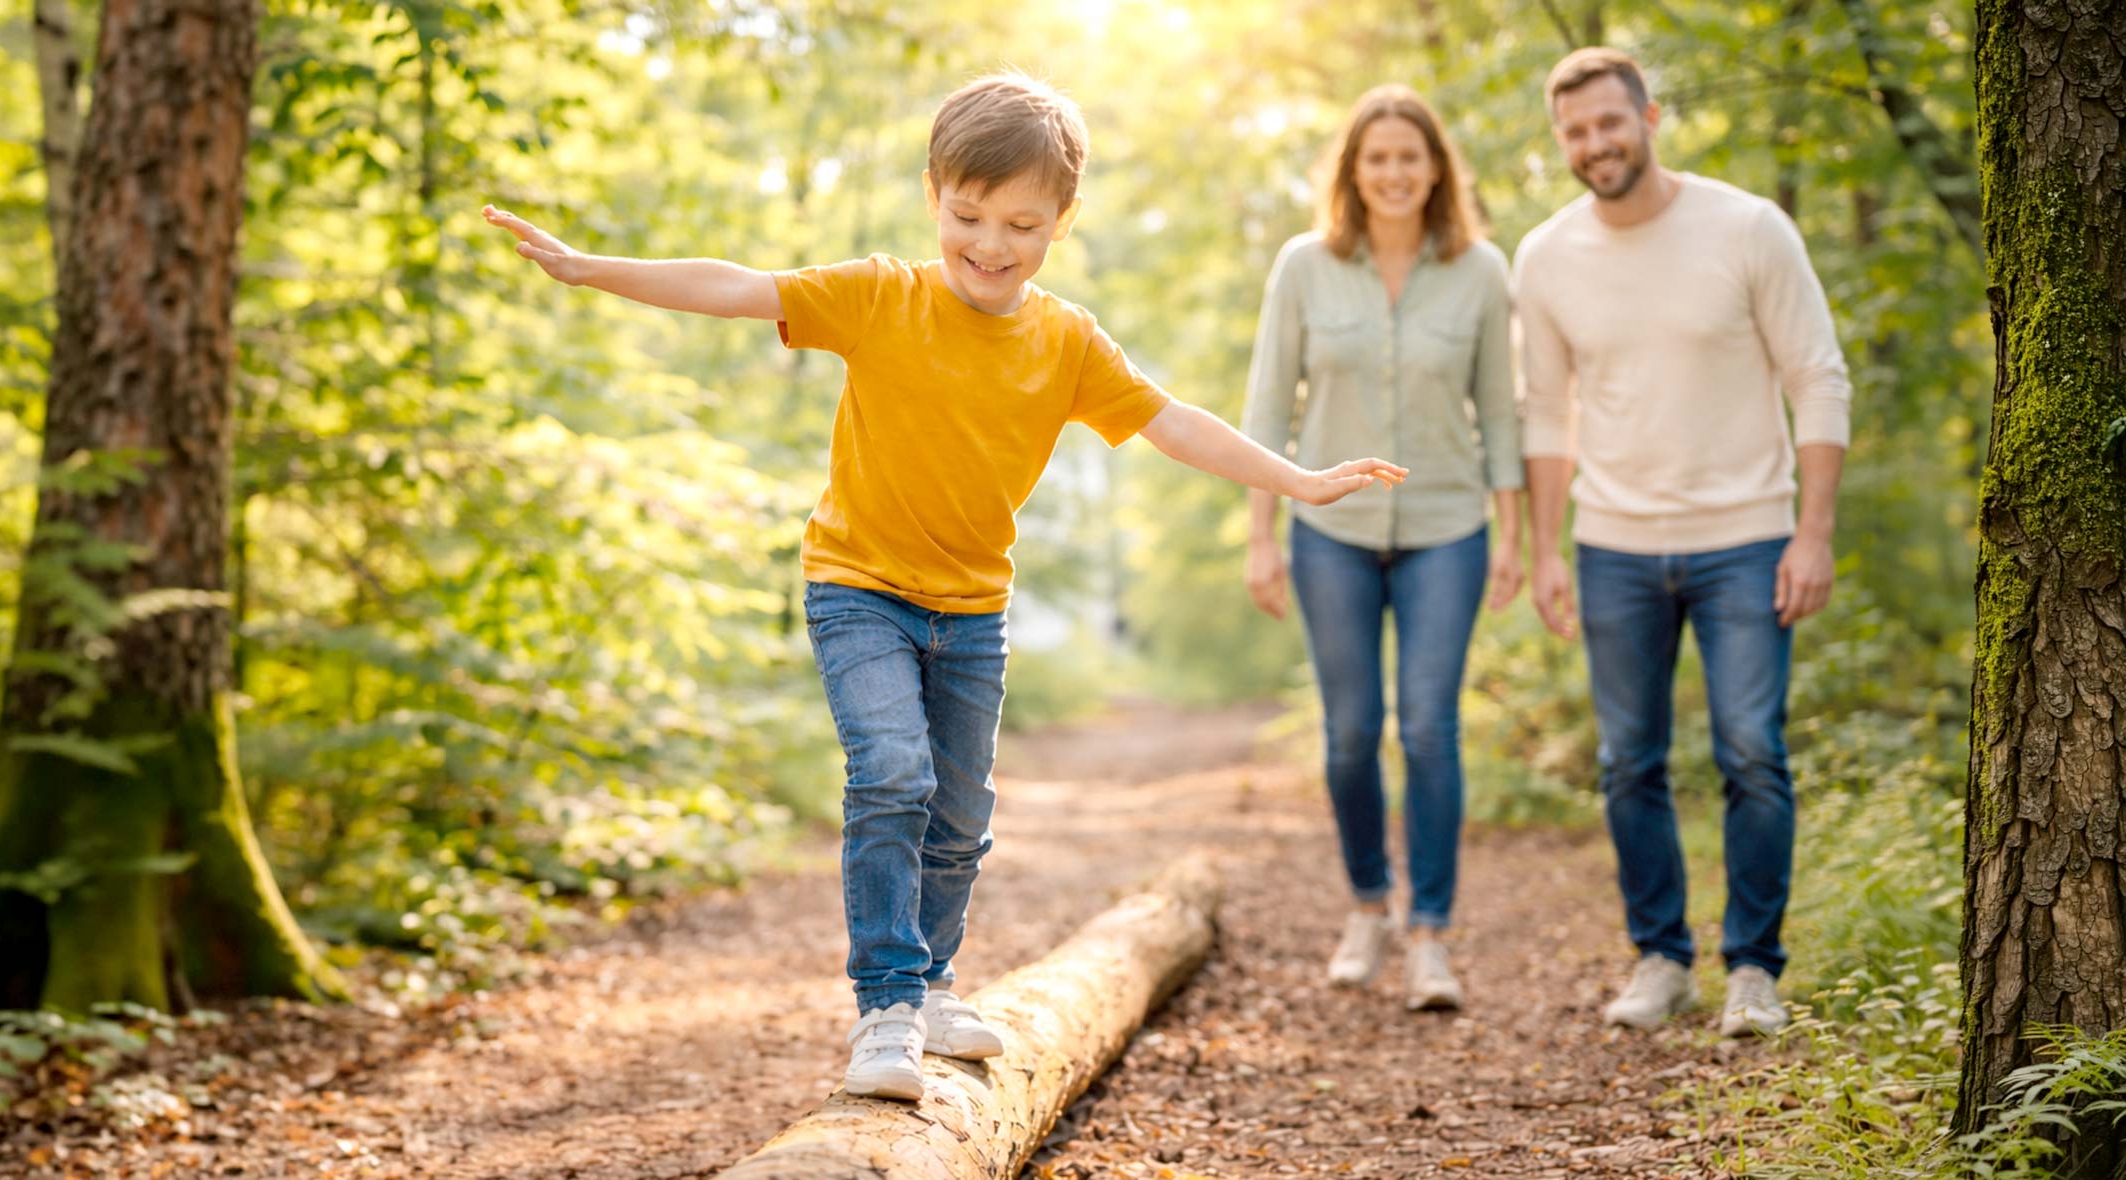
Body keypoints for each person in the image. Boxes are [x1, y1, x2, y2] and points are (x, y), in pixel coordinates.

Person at [488, 71, 1406, 1100]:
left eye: (1019, 222)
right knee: (891, 773)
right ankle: (884, 1002)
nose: (989, 243)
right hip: (858, 588)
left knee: (961, 815)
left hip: (972, 610)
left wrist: (1293, 478)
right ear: (934, 192)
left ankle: (930, 985)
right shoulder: (882, 294)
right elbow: (738, 283)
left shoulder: (1064, 340)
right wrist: (587, 270)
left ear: (1061, 221)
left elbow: (1171, 420)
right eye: (967, 214)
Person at [1511, 48, 1851, 1037]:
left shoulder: (1746, 227)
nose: (1593, 145)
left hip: (1748, 537)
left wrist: (1812, 533)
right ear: (1560, 142)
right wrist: (1542, 550)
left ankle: (1753, 969)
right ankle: (1660, 958)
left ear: (1649, 116)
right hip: (1612, 545)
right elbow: (1545, 418)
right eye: (1573, 132)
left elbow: (1818, 378)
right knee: (1628, 761)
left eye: (1609, 123)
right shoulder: (1546, 257)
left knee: (1750, 750)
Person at [1240, 84, 1523, 1013]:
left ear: (1436, 168)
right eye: (1377, 158)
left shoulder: (1481, 269)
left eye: (1411, 156)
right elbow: (1265, 408)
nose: (1395, 173)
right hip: (1332, 530)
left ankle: (1431, 936)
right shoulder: (1303, 266)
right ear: (1352, 173)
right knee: (1353, 728)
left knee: (1430, 727)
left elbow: (1504, 419)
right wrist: (1261, 537)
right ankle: (1369, 905)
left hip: (1449, 528)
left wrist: (1516, 536)